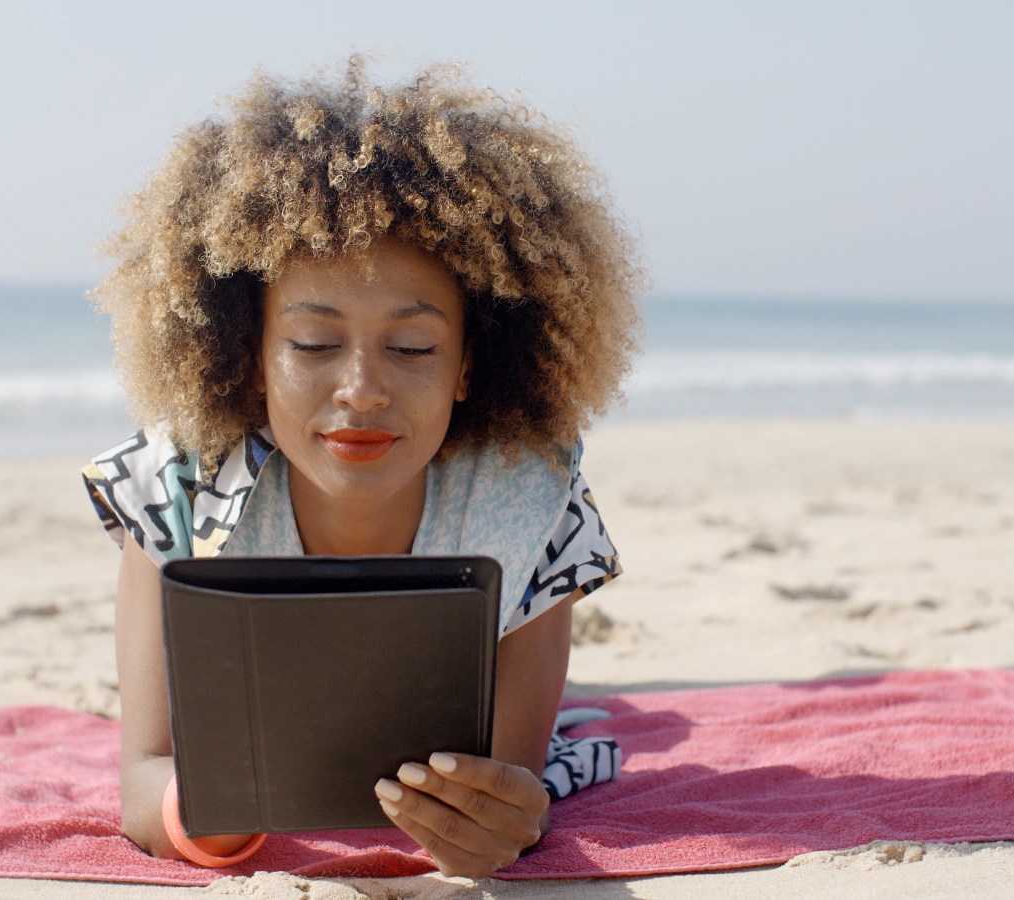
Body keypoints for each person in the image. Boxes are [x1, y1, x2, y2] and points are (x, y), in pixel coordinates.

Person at [82, 58, 642, 879]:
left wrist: (506, 823)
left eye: (412, 348)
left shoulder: (525, 503)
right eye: (313, 344)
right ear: (252, 360)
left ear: (466, 366)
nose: (363, 391)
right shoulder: (177, 495)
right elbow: (146, 776)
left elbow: (514, 789)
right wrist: (216, 819)